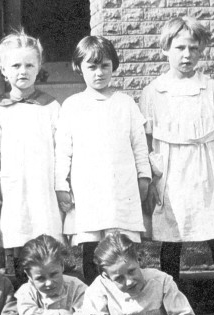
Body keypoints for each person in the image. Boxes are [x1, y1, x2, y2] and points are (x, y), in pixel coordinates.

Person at [140, 16, 214, 315]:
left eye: (193, 48)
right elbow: (145, 142)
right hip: (170, 172)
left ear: (201, 51)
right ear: (165, 49)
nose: (187, 55)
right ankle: (170, 300)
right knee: (172, 238)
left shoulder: (209, 88)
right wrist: (150, 181)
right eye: (180, 48)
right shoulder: (154, 91)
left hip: (204, 169)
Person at [55, 36, 150, 284]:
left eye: (104, 66)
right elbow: (63, 150)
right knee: (92, 248)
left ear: (113, 66)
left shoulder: (125, 104)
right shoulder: (72, 105)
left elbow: (139, 145)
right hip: (88, 189)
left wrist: (144, 176)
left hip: (120, 188)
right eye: (92, 67)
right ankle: (94, 296)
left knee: (119, 247)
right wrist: (61, 185)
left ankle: (123, 293)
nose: (99, 73)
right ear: (79, 67)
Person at [0, 31, 63, 279]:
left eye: (29, 65)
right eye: (15, 66)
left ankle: (48, 283)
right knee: (16, 229)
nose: (23, 71)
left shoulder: (50, 107)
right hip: (13, 185)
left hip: (43, 184)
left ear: (39, 68)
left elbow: (62, 149)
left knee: (44, 229)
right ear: (3, 70)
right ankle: (18, 286)